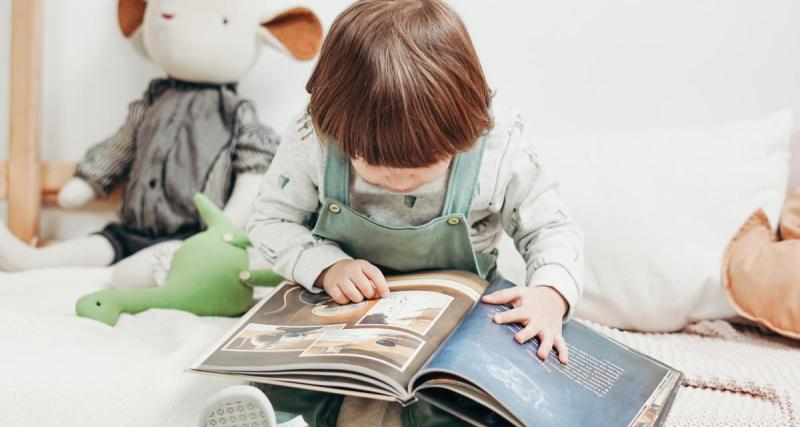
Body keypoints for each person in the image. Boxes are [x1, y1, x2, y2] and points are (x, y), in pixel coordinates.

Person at [201, 1, 584, 425]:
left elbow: (551, 227)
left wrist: (552, 295)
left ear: (470, 125)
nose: (400, 184)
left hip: (457, 320)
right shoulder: (314, 137)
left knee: (462, 399)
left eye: (422, 171)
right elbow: (270, 219)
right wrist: (327, 267)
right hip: (340, 308)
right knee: (295, 384)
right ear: (332, 124)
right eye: (376, 169)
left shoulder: (500, 146)